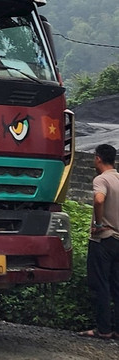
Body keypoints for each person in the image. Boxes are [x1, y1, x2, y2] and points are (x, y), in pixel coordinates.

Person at [78, 143, 119, 340]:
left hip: (104, 239)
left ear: (98, 158)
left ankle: (103, 329)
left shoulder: (101, 179)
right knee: (117, 285)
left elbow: (99, 200)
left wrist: (99, 223)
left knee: (100, 284)